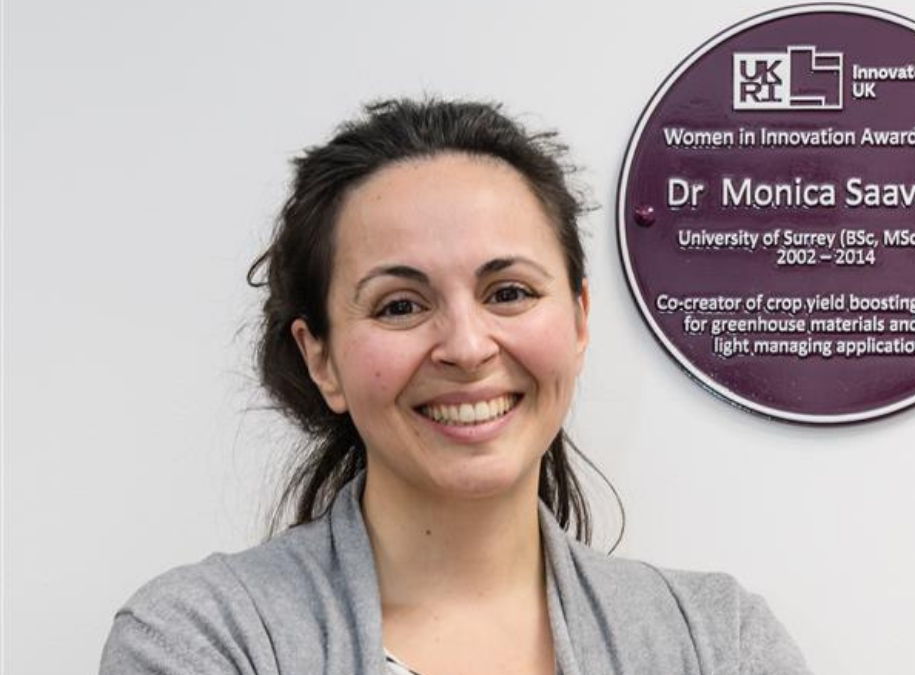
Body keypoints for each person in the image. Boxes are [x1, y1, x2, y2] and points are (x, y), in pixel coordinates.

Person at [98, 98, 811, 675]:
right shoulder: (200, 638)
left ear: (579, 320)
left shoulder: (722, 642)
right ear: (322, 360)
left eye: (508, 291)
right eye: (400, 305)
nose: (468, 347)